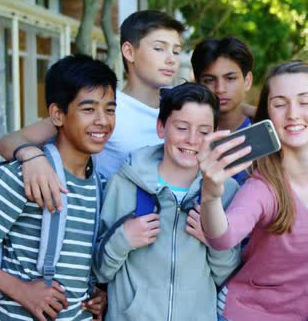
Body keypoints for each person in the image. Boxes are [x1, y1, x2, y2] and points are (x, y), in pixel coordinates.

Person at [197, 61, 308, 320]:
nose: (292, 113)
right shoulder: (264, 184)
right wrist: (211, 195)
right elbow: (223, 238)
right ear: (268, 115)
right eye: (280, 104)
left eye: (304, 102)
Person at [0, 10, 185, 211]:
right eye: (159, 48)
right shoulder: (103, 107)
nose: (171, 59)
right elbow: (8, 142)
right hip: (106, 226)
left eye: (176, 51)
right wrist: (33, 157)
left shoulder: (180, 109)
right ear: (129, 52)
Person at [0, 54, 116, 321]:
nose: (102, 120)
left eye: (109, 109)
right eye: (88, 110)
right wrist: (21, 290)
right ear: (57, 114)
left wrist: (97, 295)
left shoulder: (99, 186)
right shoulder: (24, 177)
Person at [93, 82, 240, 321]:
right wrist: (123, 239)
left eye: (204, 131)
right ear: (161, 127)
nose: (192, 140)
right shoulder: (126, 183)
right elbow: (99, 272)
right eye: (182, 127)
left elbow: (228, 275)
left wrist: (213, 240)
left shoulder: (225, 191)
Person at [191, 35, 256, 185]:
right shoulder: (187, 135)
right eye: (209, 80)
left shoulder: (265, 132)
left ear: (247, 81)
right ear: (198, 83)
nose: (220, 89)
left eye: (230, 78)